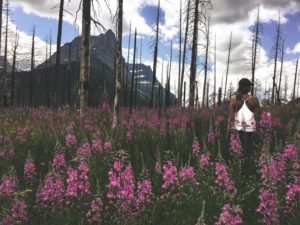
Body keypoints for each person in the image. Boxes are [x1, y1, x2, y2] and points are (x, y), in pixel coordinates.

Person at [227, 78, 261, 178]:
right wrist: (259, 129)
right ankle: (248, 170)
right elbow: (258, 116)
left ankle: (240, 170)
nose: (251, 87)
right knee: (249, 149)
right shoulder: (254, 100)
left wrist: (228, 130)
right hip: (251, 129)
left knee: (238, 149)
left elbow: (231, 117)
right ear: (246, 87)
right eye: (249, 85)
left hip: (237, 129)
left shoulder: (234, 100)